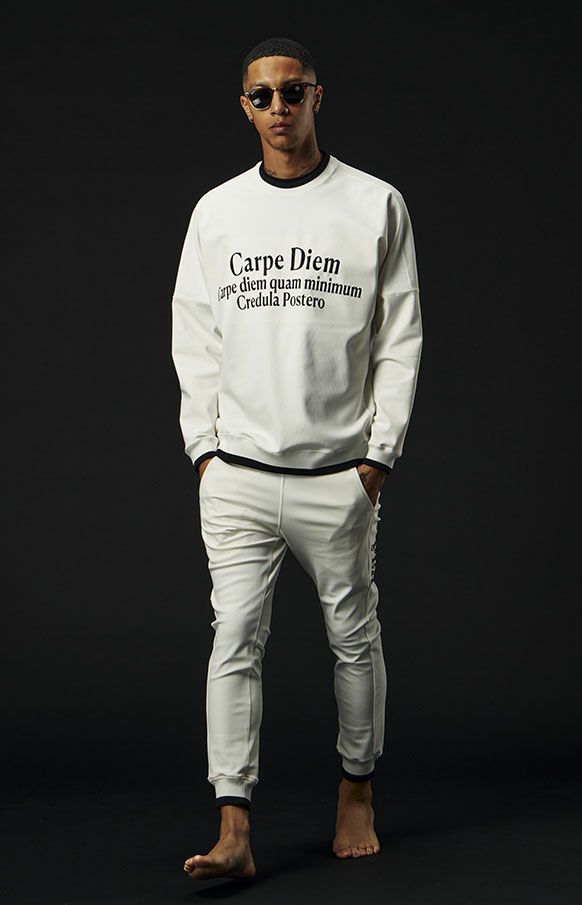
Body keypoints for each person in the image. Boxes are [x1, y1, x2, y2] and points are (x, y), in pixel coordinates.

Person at [172, 35, 423, 880]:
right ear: (244, 107)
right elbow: (193, 335)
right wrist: (204, 450)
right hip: (238, 474)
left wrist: (377, 458)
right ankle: (233, 826)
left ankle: (357, 788)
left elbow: (400, 337)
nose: (278, 108)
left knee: (353, 638)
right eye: (262, 96)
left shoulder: (375, 204)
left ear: (318, 95)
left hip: (336, 476)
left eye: (292, 91)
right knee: (234, 639)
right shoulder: (217, 212)